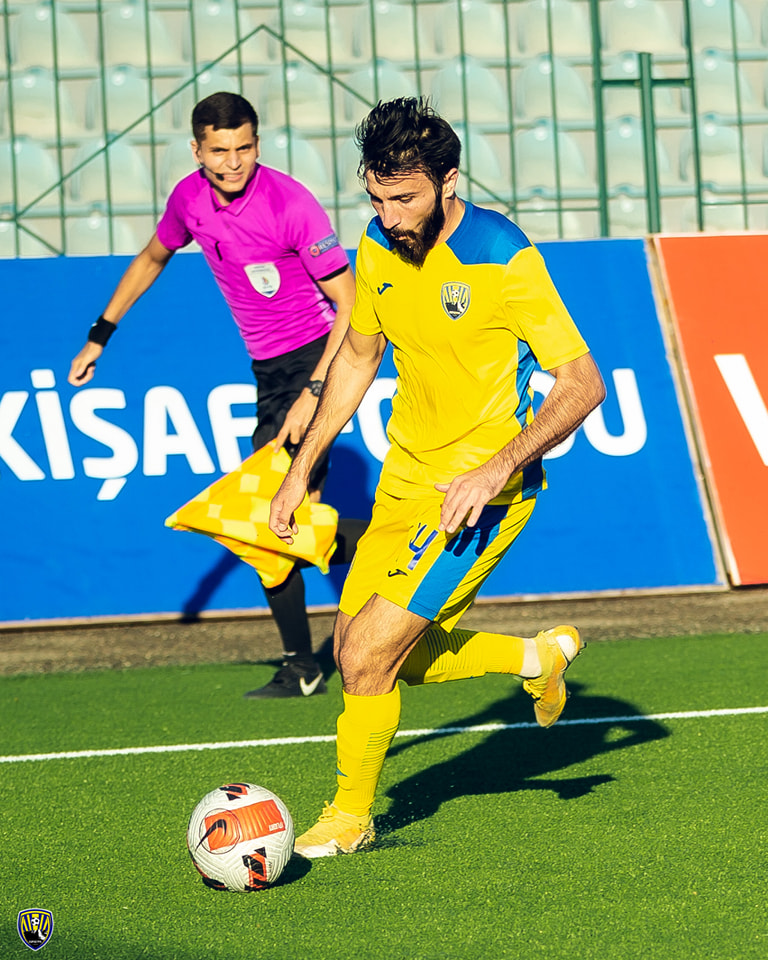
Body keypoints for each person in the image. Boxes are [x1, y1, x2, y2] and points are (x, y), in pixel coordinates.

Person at [269, 97, 607, 857]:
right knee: (363, 650)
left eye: (405, 199)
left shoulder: (502, 255)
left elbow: (583, 383)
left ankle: (350, 817)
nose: (388, 217)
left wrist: (496, 467)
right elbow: (359, 356)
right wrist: (301, 468)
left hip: (479, 494)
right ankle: (535, 658)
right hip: (404, 481)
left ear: (449, 182)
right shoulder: (375, 245)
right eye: (376, 198)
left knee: (366, 657)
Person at [67, 91, 363, 699]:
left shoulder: (291, 204)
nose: (233, 162)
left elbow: (351, 304)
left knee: (268, 515)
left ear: (257, 144)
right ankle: (401, 541)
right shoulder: (188, 199)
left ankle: (303, 664)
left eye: (244, 148)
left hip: (317, 358)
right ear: (197, 150)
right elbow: (152, 257)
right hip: (268, 371)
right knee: (288, 520)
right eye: (220, 151)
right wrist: (100, 334)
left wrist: (314, 390)